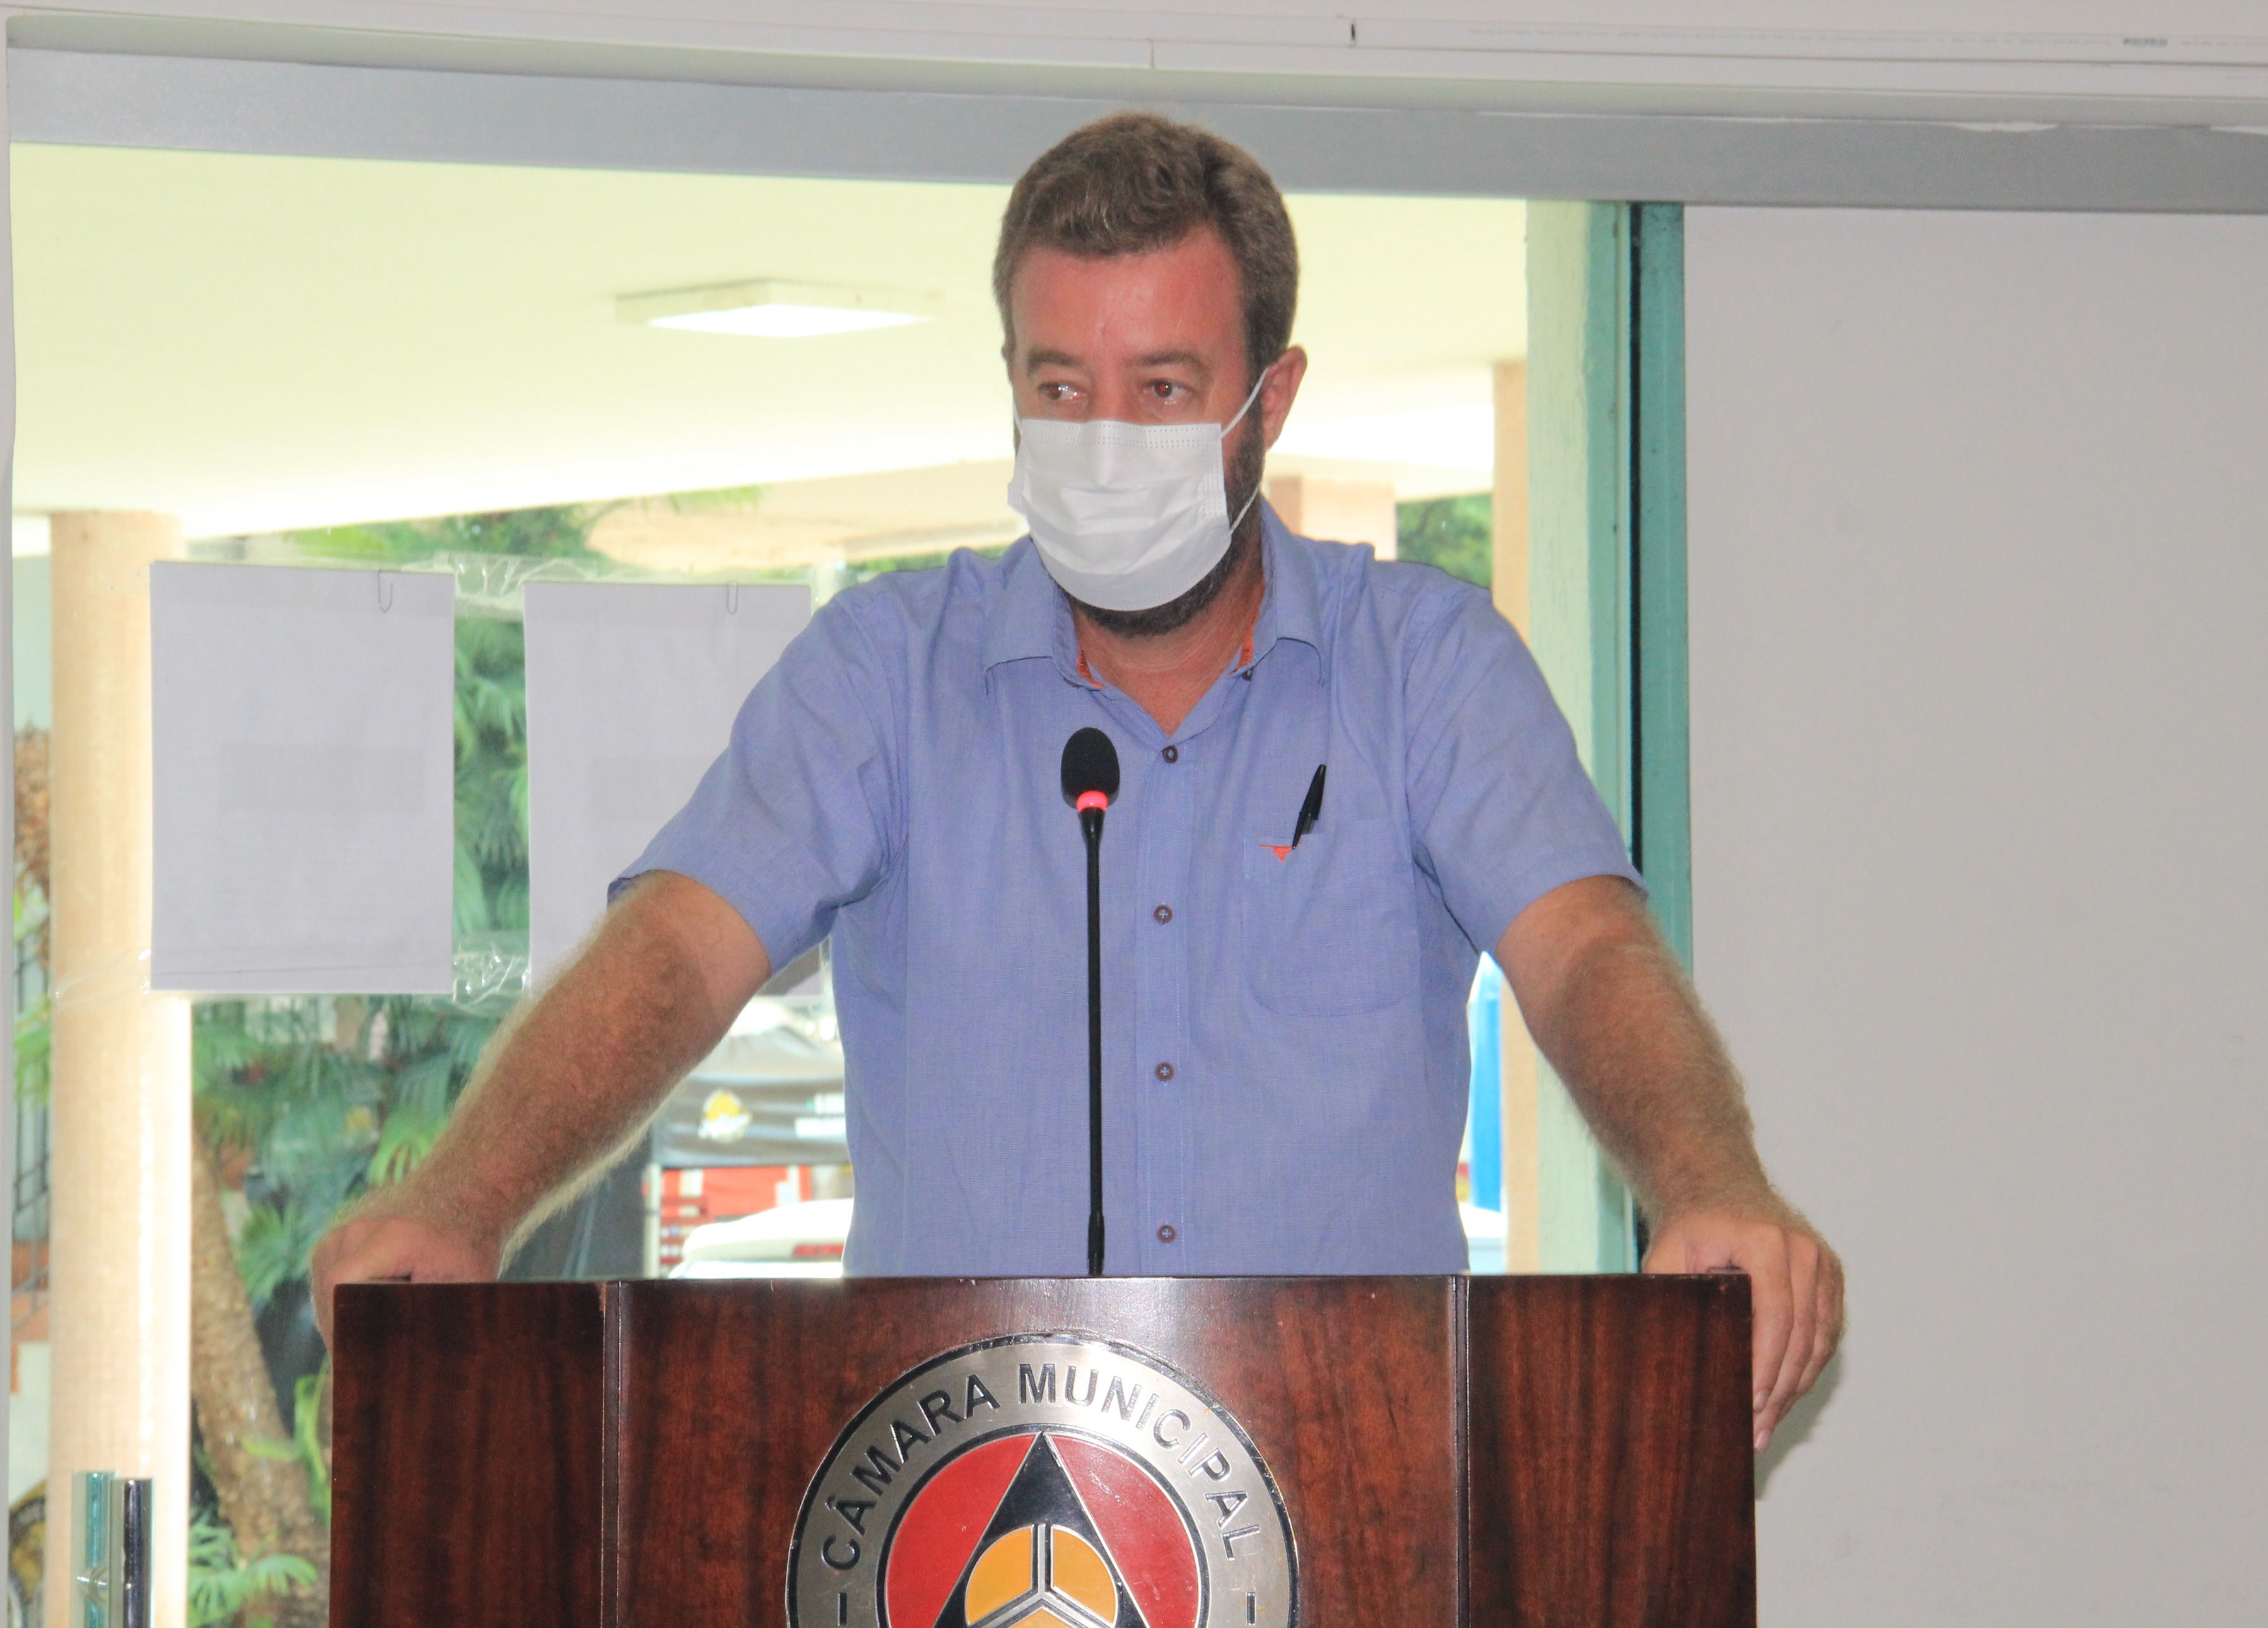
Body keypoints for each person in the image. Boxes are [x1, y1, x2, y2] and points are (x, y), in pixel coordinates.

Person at [313, 112, 1842, 1449]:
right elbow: (674, 946)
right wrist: (462, 1200)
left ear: (1272, 399)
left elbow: (1583, 950)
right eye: (1060, 386)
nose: (1105, 441)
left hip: (1356, 1479)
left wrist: (1708, 1179)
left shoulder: (1425, 666)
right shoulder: (885, 670)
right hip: (943, 1490)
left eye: (1163, 389)